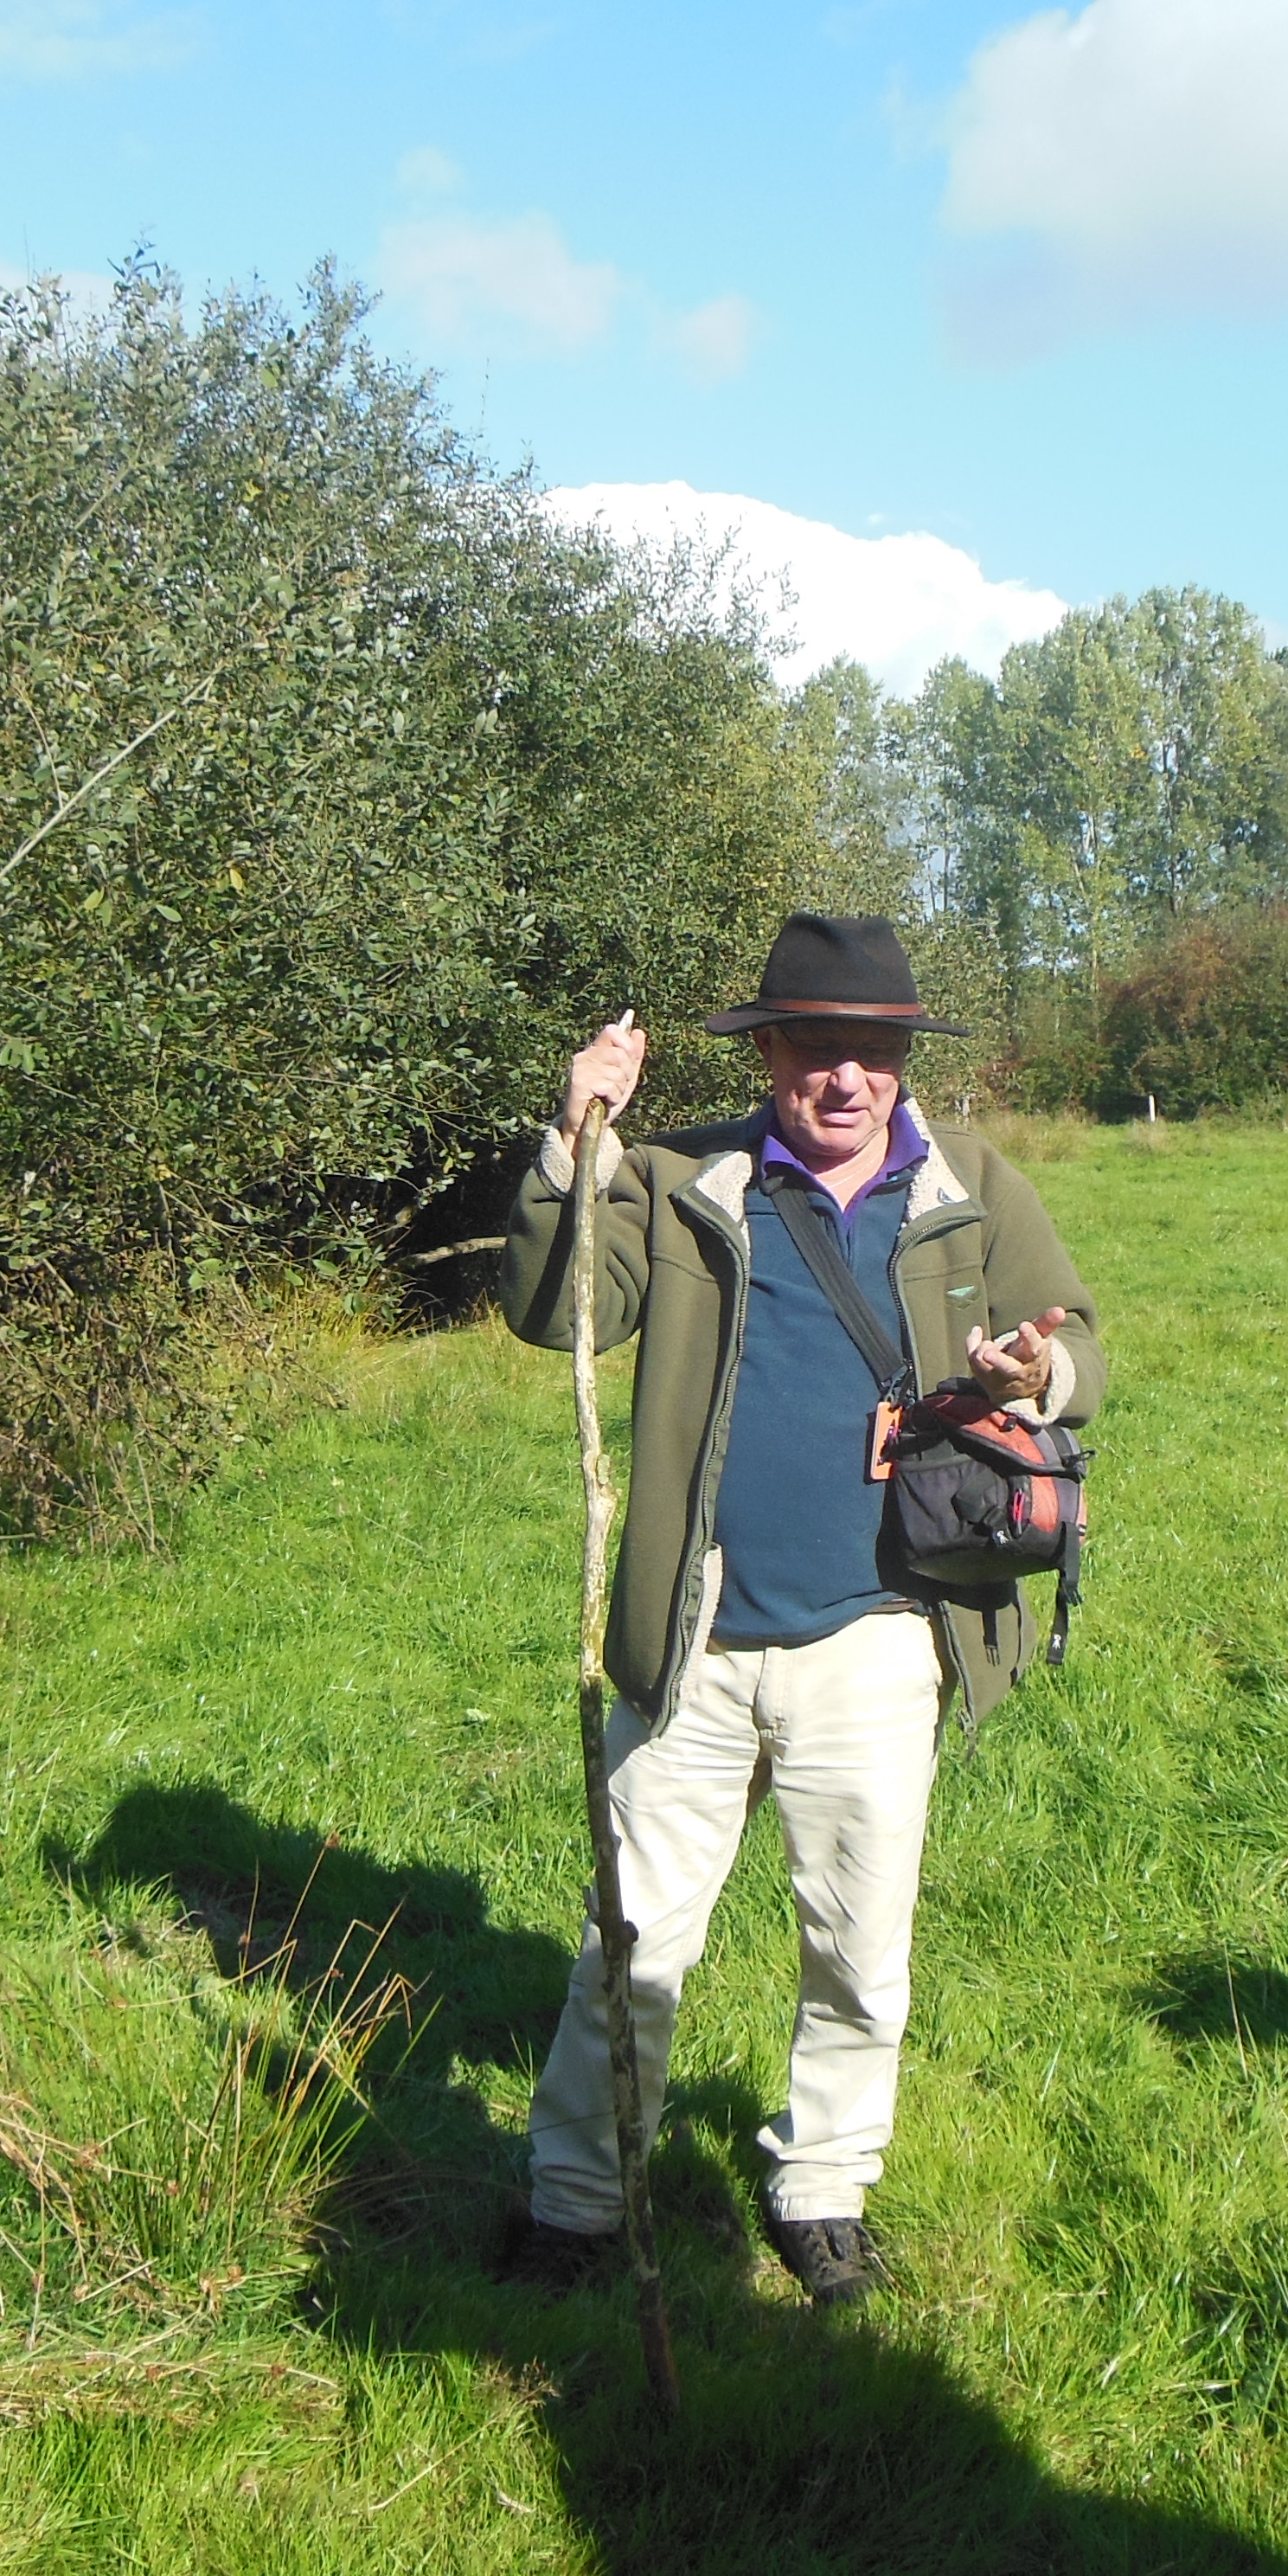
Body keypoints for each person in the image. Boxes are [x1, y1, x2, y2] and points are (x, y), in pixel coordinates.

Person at [494, 911, 1102, 2307]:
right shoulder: (684, 1172)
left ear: (904, 1059)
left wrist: (1033, 1379)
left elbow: (1085, 1349)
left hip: (881, 1635)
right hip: (694, 1637)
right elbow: (558, 1310)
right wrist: (576, 1143)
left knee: (858, 1947)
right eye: (817, 1048)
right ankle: (579, 2201)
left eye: (874, 1052)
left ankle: (823, 2185)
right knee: (630, 1945)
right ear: (768, 1051)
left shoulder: (974, 1186)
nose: (847, 1079)